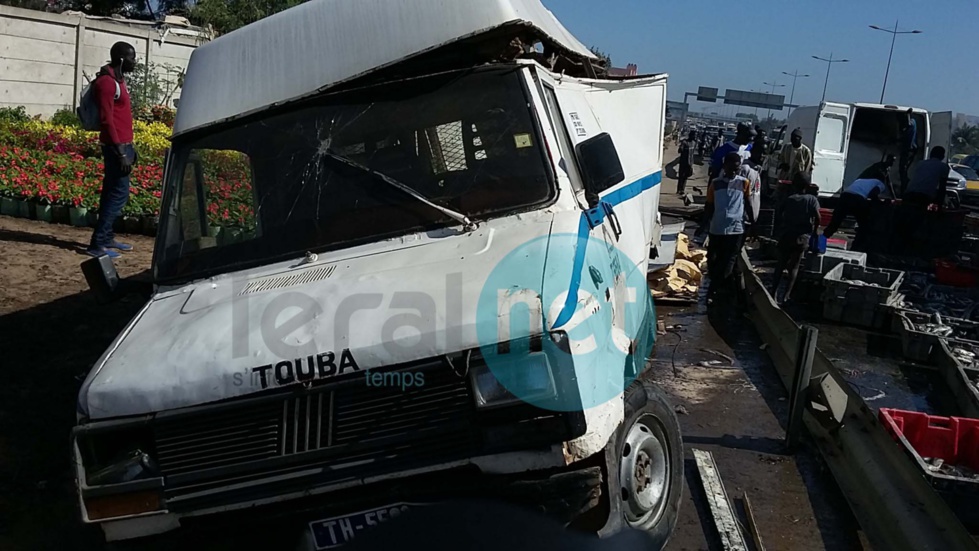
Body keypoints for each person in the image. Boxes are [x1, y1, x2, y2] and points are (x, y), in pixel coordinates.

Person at [87, 41, 138, 258]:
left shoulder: (119, 80)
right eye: (131, 58)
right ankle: (97, 244)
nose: (134, 62)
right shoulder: (107, 84)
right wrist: (120, 152)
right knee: (118, 195)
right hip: (116, 148)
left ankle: (106, 238)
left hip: (123, 145)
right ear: (120, 59)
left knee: (111, 193)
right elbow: (107, 120)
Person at [705, 152, 755, 302]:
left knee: (729, 260)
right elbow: (709, 206)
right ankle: (727, 289)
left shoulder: (743, 183)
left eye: (737, 169)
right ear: (725, 166)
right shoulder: (715, 184)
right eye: (732, 168)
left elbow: (748, 204)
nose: (734, 172)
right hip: (717, 228)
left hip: (736, 228)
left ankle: (715, 291)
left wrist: (753, 223)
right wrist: (703, 225)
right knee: (713, 259)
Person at [771, 172, 820, 304]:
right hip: (802, 238)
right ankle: (786, 296)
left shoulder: (790, 199)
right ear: (808, 185)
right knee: (794, 267)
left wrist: (779, 228)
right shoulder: (812, 199)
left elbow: (779, 212)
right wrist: (814, 231)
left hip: (787, 235)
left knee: (780, 264)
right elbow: (818, 217)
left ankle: (773, 292)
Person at [898, 108, 918, 193]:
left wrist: (908, 114)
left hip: (909, 150)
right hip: (909, 150)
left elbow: (908, 124)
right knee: (903, 170)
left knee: (903, 169)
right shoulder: (910, 126)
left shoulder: (911, 122)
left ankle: (905, 188)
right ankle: (904, 186)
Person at [676, 130, 697, 195]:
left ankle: (682, 189)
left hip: (689, 163)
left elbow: (692, 154)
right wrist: (681, 147)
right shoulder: (685, 142)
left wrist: (692, 164)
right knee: (681, 177)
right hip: (683, 162)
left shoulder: (694, 143)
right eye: (694, 135)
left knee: (685, 177)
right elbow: (679, 151)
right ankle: (679, 190)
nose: (695, 137)